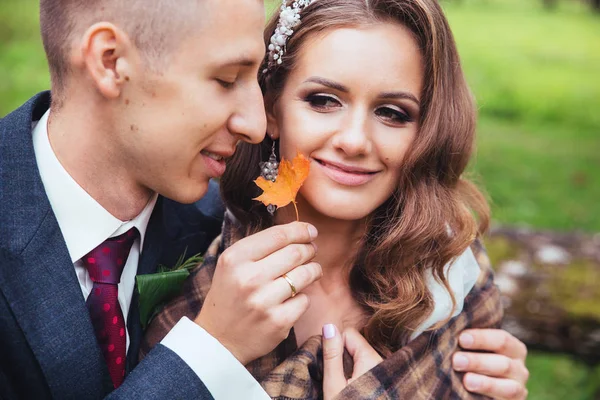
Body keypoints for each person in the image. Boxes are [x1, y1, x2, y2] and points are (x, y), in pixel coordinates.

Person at [143, 0, 529, 399]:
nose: (354, 141)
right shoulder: (194, 265)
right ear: (272, 109)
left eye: (392, 112)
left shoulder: (450, 267)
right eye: (324, 101)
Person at [0, 0, 327, 398]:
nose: (257, 125)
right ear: (110, 61)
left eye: (255, 80)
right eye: (226, 80)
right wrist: (209, 351)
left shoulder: (223, 231)